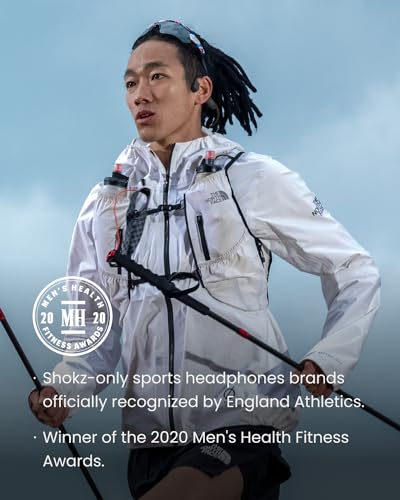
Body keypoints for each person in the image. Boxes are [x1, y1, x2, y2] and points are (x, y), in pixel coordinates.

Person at [29, 20, 380, 500]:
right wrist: (62, 391)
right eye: (130, 83)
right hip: (148, 447)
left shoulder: (251, 178)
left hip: (240, 430)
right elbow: (94, 332)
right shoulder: (104, 203)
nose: (140, 94)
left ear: (201, 90)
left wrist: (330, 357)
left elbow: (353, 268)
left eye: (157, 76)